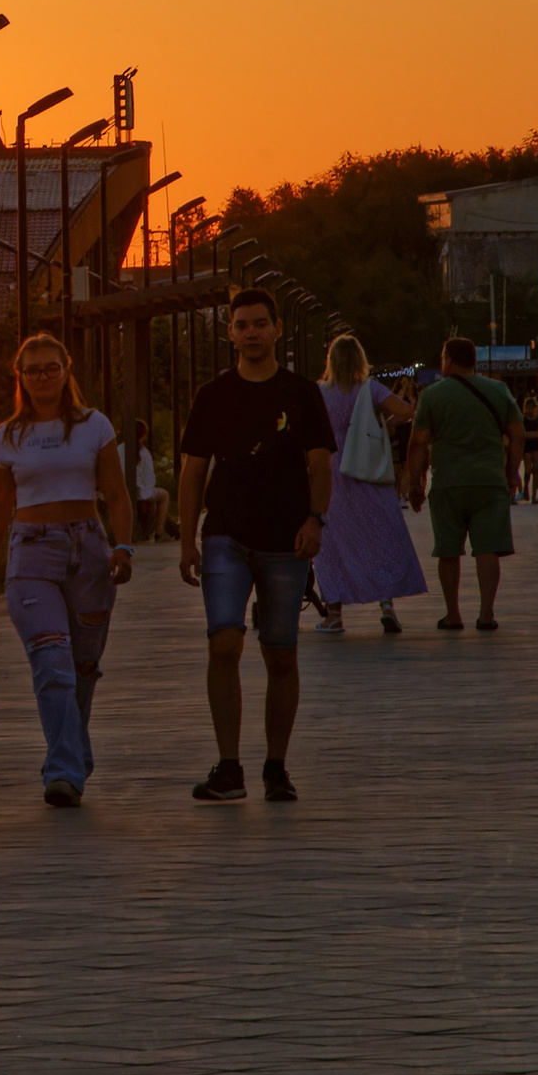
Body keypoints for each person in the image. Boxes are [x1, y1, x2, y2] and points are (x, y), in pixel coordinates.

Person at [177, 287, 333, 803]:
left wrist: (315, 520)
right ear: (230, 333)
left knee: (281, 655)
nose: (251, 333)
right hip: (226, 533)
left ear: (277, 330)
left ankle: (276, 766)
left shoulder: (300, 393)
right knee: (224, 643)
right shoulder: (213, 395)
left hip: (286, 537)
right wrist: (187, 539)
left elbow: (318, 463)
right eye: (241, 325)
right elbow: (193, 468)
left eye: (260, 323)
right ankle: (228, 766)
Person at [0, 334, 134, 808]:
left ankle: (72, 751)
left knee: (81, 668)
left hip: (87, 552)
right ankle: (64, 772)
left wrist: (124, 546)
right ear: (21, 378)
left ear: (67, 370)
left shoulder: (94, 426)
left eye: (51, 368)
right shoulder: (6, 437)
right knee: (53, 664)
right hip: (30, 555)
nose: (42, 377)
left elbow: (115, 492)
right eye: (33, 371)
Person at [308, 334, 426, 635]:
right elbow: (406, 411)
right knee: (380, 536)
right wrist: (381, 424)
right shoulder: (370, 389)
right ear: (360, 359)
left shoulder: (319, 392)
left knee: (333, 544)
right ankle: (386, 606)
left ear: (331, 361)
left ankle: (333, 613)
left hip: (333, 475)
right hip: (367, 471)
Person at [404, 337, 524, 631]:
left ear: (448, 360)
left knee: (448, 550)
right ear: (474, 362)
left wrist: (415, 483)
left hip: (448, 483)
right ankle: (486, 614)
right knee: (487, 549)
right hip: (490, 481)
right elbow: (518, 433)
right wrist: (511, 473)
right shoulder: (498, 390)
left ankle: (453, 614)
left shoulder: (433, 395)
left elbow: (418, 442)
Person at [128, 418, 170, 541]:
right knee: (164, 495)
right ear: (143, 435)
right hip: (141, 492)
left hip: (128, 490)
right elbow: (150, 480)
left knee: (153, 507)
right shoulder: (144, 453)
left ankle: (168, 529)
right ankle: (159, 532)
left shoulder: (120, 449)